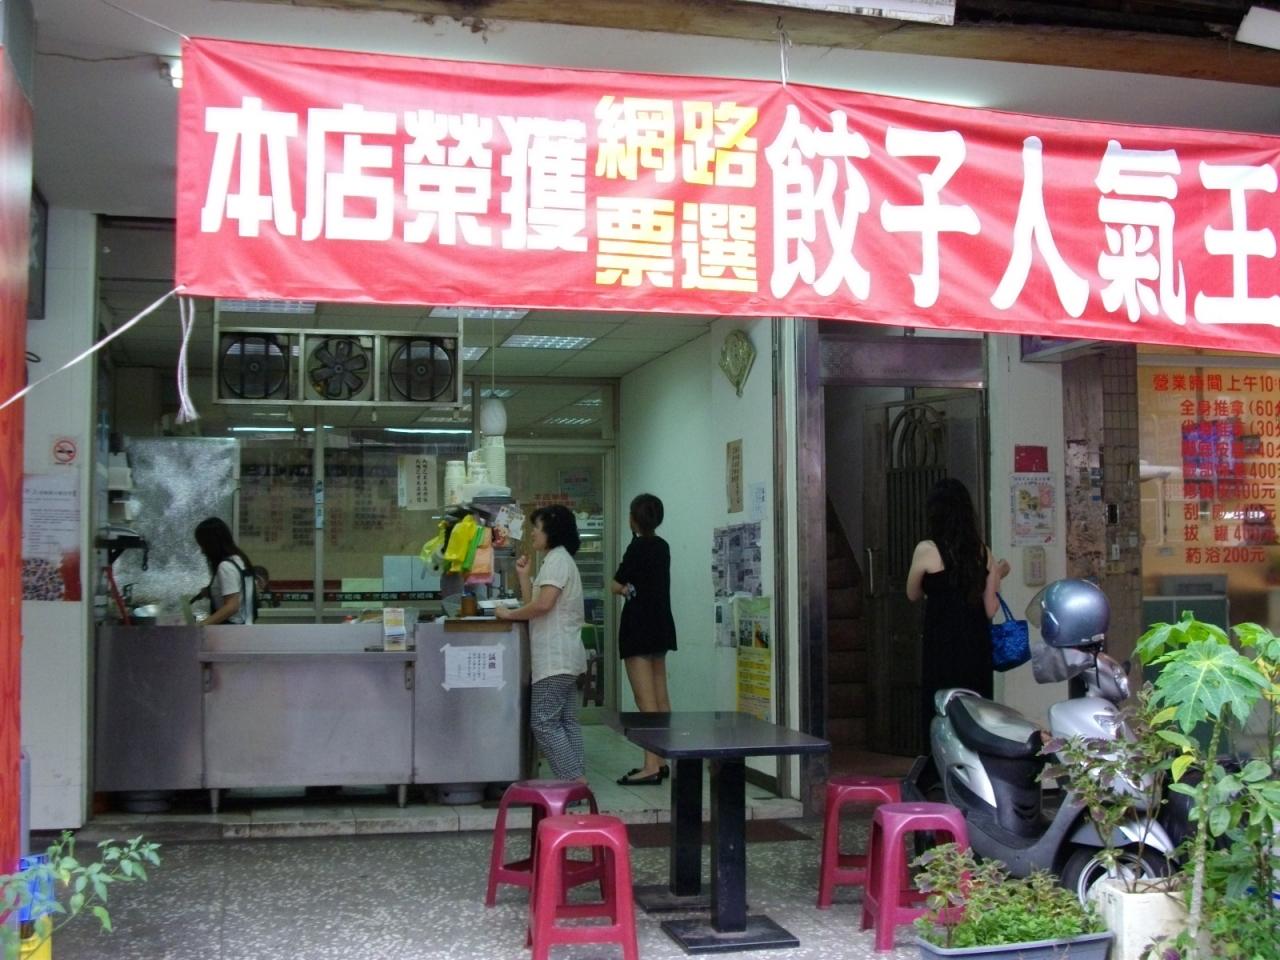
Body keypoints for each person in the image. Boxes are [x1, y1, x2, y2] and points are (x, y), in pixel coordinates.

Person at [905, 478, 1009, 734]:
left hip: (940, 643)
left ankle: (939, 754)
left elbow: (912, 593)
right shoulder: (982, 552)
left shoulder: (926, 549)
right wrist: (998, 573)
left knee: (941, 705)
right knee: (976, 708)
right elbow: (990, 609)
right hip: (976, 644)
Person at [495, 505, 587, 783]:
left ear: (552, 531)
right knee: (566, 722)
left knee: (544, 722)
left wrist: (509, 615)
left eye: (537, 527)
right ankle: (577, 784)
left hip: (554, 660)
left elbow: (543, 606)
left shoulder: (557, 561)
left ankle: (574, 781)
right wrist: (524, 577)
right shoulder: (557, 560)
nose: (533, 533)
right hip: (566, 658)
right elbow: (535, 604)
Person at [611, 493, 678, 786]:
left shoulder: (637, 547)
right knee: (661, 697)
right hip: (661, 625)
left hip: (638, 626)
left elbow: (616, 583)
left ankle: (651, 765)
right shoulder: (663, 546)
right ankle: (661, 760)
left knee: (645, 700)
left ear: (633, 519)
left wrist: (625, 590)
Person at [192, 517, 255, 625]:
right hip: (246, 626)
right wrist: (211, 591)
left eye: (203, 545)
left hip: (231, 630)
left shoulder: (225, 566)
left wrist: (200, 625)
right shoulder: (239, 560)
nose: (202, 551)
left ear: (212, 544)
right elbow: (240, 592)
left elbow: (232, 607)